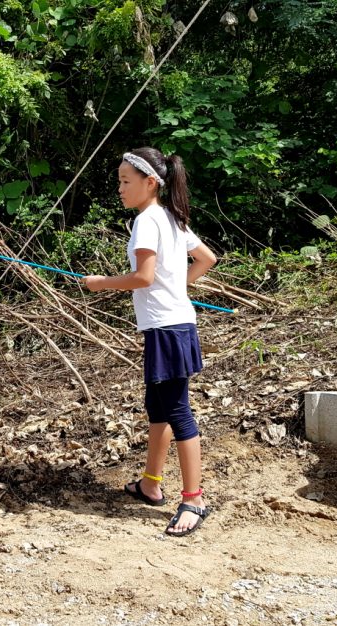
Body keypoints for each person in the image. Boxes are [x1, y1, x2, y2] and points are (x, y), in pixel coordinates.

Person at [83, 148, 217, 537]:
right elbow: (207, 258)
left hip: (167, 327)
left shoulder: (147, 220)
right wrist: (178, 289)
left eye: (126, 181)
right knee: (157, 406)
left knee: (177, 411)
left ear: (150, 183)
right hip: (171, 325)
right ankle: (150, 483)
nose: (120, 188)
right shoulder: (172, 218)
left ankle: (193, 499)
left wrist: (100, 283)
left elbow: (142, 277)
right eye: (119, 181)